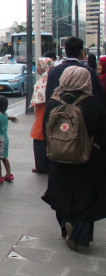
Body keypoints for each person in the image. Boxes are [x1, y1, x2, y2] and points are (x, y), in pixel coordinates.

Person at [42, 66, 106, 251]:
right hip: (88, 159)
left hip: (58, 157)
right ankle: (79, 235)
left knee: (61, 190)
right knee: (86, 195)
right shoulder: (94, 104)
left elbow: (47, 132)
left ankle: (66, 222)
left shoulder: (53, 103)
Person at [45, 37, 104, 101]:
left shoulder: (53, 72)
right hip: (82, 109)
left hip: (59, 109)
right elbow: (99, 96)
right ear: (81, 51)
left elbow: (49, 96)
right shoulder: (89, 72)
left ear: (66, 51)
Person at [30, 57, 54, 174]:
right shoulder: (48, 77)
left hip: (42, 112)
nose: (37, 67)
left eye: (39, 65)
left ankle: (41, 166)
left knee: (39, 137)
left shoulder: (45, 80)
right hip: (43, 111)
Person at [0, 95, 17, 183]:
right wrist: (12, 118)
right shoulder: (5, 114)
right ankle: (9, 174)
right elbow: (6, 118)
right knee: (4, 157)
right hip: (5, 139)